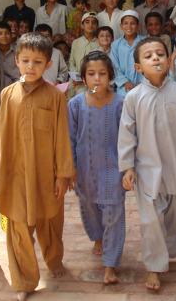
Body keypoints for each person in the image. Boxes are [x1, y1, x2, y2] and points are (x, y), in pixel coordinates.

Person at [0, 33, 75, 301]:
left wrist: (63, 175)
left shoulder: (55, 97)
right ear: (16, 61)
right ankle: (24, 282)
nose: (31, 67)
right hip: (13, 174)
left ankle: (54, 259)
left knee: (50, 221)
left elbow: (62, 137)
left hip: (45, 174)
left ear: (48, 65)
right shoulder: (7, 95)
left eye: (37, 62)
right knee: (17, 228)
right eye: (25, 61)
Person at [119, 36, 176, 290]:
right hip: (146, 169)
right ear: (138, 67)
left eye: (160, 54)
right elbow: (126, 134)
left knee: (173, 216)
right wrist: (127, 167)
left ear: (170, 61)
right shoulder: (133, 98)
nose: (155, 58)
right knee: (150, 220)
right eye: (148, 56)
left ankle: (166, 253)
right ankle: (154, 267)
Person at [68, 51, 125, 284]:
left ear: (111, 76)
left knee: (113, 213)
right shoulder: (75, 104)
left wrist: (130, 168)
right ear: (83, 77)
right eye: (91, 74)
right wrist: (70, 167)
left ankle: (110, 263)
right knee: (90, 207)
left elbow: (129, 137)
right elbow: (69, 138)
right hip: (85, 170)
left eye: (102, 74)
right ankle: (97, 237)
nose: (97, 79)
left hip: (114, 169)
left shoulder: (121, 103)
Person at [110, 10, 144, 97]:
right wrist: (125, 82)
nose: (129, 26)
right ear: (121, 26)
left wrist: (144, 81)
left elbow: (150, 64)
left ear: (138, 26)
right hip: (124, 88)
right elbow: (114, 66)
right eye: (125, 23)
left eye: (132, 23)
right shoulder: (116, 44)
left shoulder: (145, 42)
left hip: (143, 86)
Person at [68, 12, 99, 98]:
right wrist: (76, 77)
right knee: (67, 93)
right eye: (87, 22)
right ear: (82, 25)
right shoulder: (76, 42)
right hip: (74, 79)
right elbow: (71, 62)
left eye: (94, 22)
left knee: (82, 96)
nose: (90, 25)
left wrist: (84, 78)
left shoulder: (99, 43)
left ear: (97, 26)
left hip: (89, 81)